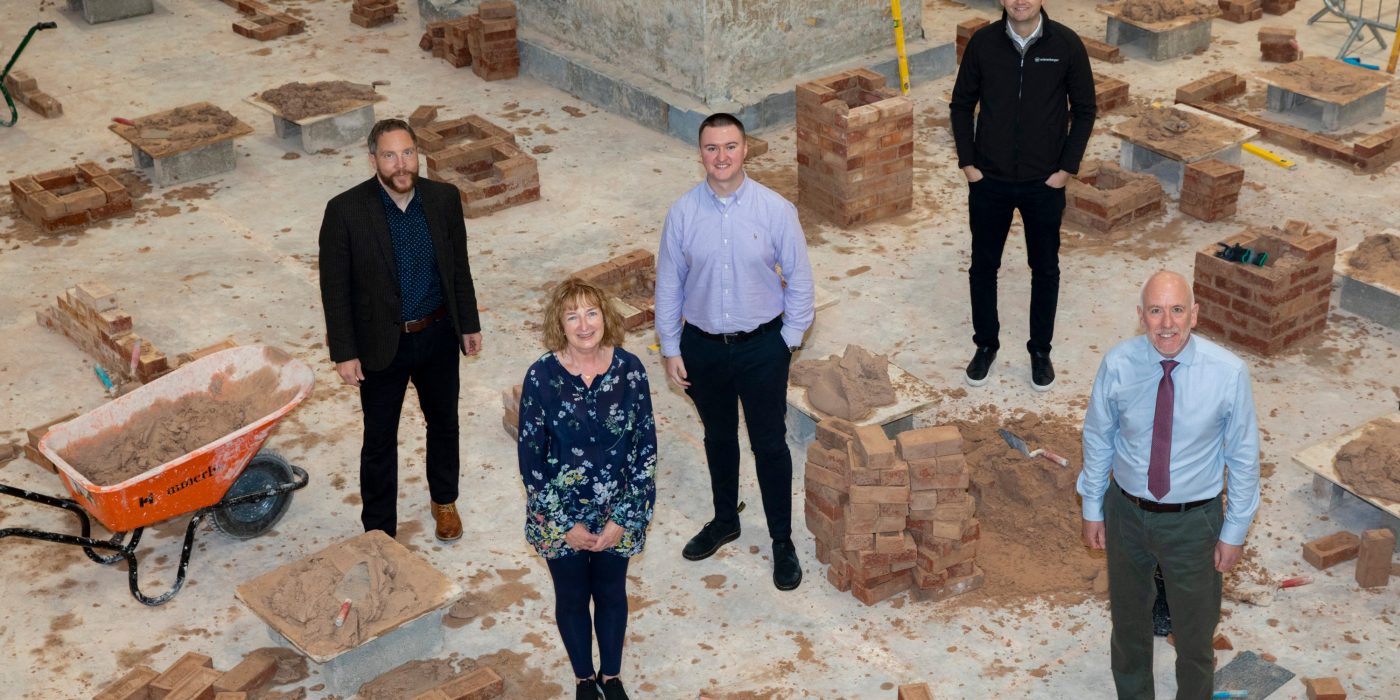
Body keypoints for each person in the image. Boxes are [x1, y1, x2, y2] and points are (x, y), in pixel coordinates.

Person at [1078, 271, 1261, 699]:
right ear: (1141, 316)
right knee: (1128, 626)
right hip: (1125, 513)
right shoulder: (1118, 363)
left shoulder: (1228, 373)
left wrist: (1233, 532)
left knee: (1195, 636)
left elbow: (1244, 459)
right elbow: (1098, 436)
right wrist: (1093, 507)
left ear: (1194, 315)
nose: (1167, 324)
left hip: (1193, 522)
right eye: (1156, 311)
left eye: (1177, 310)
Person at [655, 112, 814, 591]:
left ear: (745, 150)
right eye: (711, 148)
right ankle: (726, 520)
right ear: (699, 153)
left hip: (763, 347)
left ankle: (782, 542)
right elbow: (669, 285)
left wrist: (787, 342)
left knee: (769, 444)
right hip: (701, 348)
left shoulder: (775, 210)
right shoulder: (682, 214)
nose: (721, 156)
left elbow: (801, 283)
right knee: (718, 438)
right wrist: (670, 347)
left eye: (729, 146)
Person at [318, 118, 482, 541]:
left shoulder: (443, 199)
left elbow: (458, 268)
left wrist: (468, 324)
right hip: (379, 345)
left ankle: (444, 501)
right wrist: (344, 351)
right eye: (390, 155)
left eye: (407, 153)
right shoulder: (345, 211)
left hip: (438, 335)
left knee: (444, 424)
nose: (401, 164)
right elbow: (334, 289)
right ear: (373, 160)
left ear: (418, 154)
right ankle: (378, 529)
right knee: (379, 441)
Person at [517, 278, 657, 700]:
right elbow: (531, 460)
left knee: (612, 594)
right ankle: (583, 678)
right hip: (561, 514)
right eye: (572, 315)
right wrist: (563, 525)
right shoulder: (541, 376)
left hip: (618, 510)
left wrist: (624, 518)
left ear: (605, 316)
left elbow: (646, 448)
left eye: (591, 312)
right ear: (559, 324)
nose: (584, 324)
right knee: (573, 598)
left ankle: (610, 677)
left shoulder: (631, 370)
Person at [950, 0, 1096, 391]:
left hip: (1044, 182)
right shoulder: (983, 43)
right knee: (984, 266)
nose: (1020, 0)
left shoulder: (1066, 44)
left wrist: (1065, 170)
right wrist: (969, 164)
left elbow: (1084, 109)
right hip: (989, 180)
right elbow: (961, 104)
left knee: (1045, 268)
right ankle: (985, 345)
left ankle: (1040, 350)